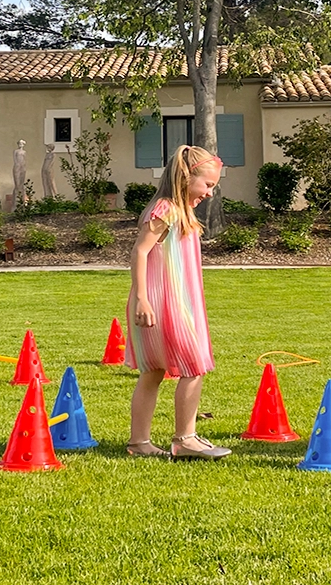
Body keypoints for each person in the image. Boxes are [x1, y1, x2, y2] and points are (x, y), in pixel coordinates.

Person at [126, 144, 229, 460]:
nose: (209, 193)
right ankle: (185, 438)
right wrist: (142, 298)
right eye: (207, 184)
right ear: (186, 177)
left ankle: (139, 443)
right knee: (194, 365)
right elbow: (140, 252)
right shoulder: (166, 210)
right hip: (162, 304)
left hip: (169, 303)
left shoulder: (178, 212)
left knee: (154, 371)